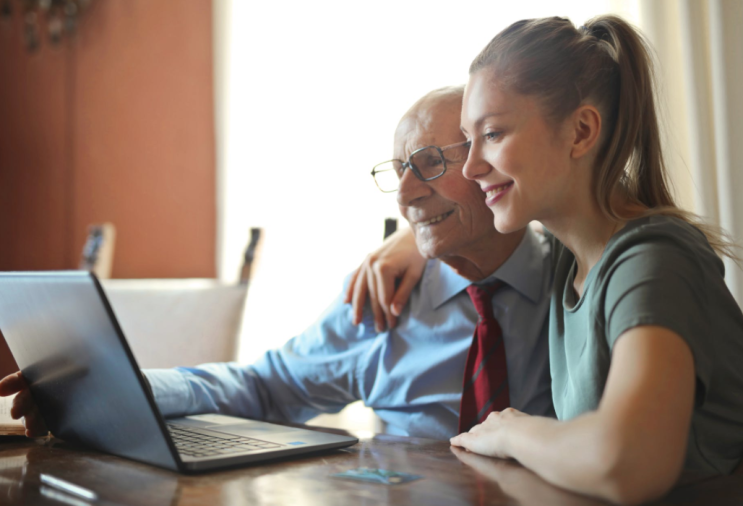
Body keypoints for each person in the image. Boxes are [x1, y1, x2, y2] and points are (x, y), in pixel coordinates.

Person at [0, 85, 554, 442]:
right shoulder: (383, 297)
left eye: (430, 163)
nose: (404, 195)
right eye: (399, 169)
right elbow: (266, 386)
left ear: (493, 160)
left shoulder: (580, 277)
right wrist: (126, 388)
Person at [348, 15, 743, 505]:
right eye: (468, 142)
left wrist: (511, 431)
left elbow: (628, 463)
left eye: (492, 135)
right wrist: (417, 235)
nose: (471, 167)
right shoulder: (569, 258)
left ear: (580, 132)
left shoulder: (653, 263)